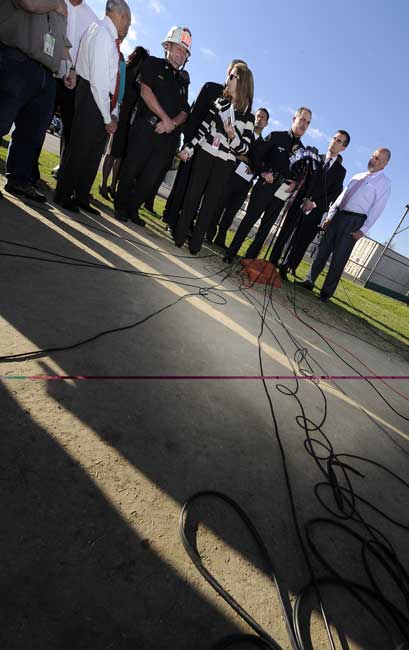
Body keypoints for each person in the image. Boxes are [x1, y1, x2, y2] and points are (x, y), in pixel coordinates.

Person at [54, 0, 131, 214]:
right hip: (92, 97)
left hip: (100, 100)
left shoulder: (105, 36)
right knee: (79, 148)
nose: (128, 26)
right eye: (129, 21)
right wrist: (108, 118)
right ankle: (64, 193)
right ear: (120, 15)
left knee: (93, 153)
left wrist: (111, 114)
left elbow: (111, 82)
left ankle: (80, 195)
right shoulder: (101, 34)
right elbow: (98, 81)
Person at [174, 62, 255, 254]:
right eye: (230, 75)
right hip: (204, 153)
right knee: (192, 195)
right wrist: (190, 148)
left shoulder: (249, 117)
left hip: (225, 163)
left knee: (209, 204)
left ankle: (195, 245)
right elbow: (203, 129)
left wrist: (232, 135)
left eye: (233, 76)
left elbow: (244, 148)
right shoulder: (219, 102)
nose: (228, 78)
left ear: (242, 82)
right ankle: (179, 236)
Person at [113, 26, 191, 224]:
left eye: (185, 52)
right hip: (145, 129)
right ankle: (120, 206)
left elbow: (185, 111)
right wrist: (165, 118)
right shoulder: (153, 64)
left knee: (150, 177)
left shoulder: (182, 82)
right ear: (168, 46)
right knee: (131, 168)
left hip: (167, 137)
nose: (181, 54)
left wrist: (171, 123)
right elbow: (145, 92)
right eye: (179, 49)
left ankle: (133, 209)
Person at [162, 59, 247, 232]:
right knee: (183, 184)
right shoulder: (211, 88)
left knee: (199, 192)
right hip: (196, 144)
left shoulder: (239, 105)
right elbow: (195, 114)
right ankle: (171, 218)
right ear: (228, 72)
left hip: (213, 154)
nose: (233, 77)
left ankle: (187, 223)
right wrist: (189, 142)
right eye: (232, 72)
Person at [296, 148, 391, 301]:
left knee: (339, 258)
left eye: (378, 159)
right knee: (322, 250)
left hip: (355, 222)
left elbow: (377, 209)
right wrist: (330, 216)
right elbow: (342, 197)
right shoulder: (358, 176)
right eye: (373, 156)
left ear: (385, 163)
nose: (374, 160)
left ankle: (326, 292)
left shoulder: (384, 183)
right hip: (338, 216)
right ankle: (309, 280)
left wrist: (363, 230)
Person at [0, 0, 71, 202]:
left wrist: (70, 68)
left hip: (46, 73)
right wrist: (55, 4)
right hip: (16, 60)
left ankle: (19, 180)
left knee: (31, 134)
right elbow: (29, 3)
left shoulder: (61, 5)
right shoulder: (57, 3)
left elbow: (61, 40)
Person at [223, 107, 312, 263]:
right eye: (302, 119)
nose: (304, 124)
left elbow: (300, 176)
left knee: (265, 230)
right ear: (294, 119)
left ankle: (248, 261)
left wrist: (295, 184)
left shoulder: (303, 152)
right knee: (248, 221)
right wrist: (264, 172)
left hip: (283, 192)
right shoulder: (276, 137)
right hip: (266, 185)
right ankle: (230, 254)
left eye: (308, 122)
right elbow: (256, 156)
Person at [270, 130, 350, 278]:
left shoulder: (341, 171)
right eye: (334, 138)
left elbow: (334, 193)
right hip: (299, 202)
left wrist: (314, 203)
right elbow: (302, 178)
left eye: (339, 141)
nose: (334, 142)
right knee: (285, 232)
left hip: (315, 210)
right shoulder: (314, 158)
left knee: (301, 241)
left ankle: (286, 267)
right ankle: (272, 261)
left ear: (343, 148)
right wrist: (303, 197)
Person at [207, 107, 270, 248]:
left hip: (246, 182)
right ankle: (209, 234)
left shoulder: (265, 143)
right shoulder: (243, 132)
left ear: (266, 123)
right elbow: (236, 149)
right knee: (219, 205)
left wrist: (254, 167)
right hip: (231, 174)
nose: (259, 119)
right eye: (258, 116)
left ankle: (220, 238)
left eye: (263, 118)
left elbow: (262, 164)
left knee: (231, 211)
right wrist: (250, 161)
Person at [50, 0, 99, 180]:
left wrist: (75, 72)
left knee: (71, 131)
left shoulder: (93, 20)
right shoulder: (55, 3)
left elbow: (89, 53)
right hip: (49, 72)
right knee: (38, 122)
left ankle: (63, 171)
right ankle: (29, 172)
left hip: (74, 82)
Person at [99, 45, 150, 200]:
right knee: (112, 152)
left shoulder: (139, 80)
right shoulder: (124, 72)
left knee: (120, 155)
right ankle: (104, 184)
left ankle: (113, 186)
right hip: (119, 115)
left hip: (129, 120)